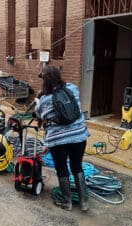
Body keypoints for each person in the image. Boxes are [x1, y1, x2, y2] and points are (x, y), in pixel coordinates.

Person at [34, 66, 90, 211]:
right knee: (77, 166)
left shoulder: (45, 100)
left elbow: (39, 114)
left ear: (45, 81)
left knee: (62, 168)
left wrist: (38, 101)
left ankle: (67, 202)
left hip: (59, 141)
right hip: (79, 136)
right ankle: (84, 202)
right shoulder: (73, 88)